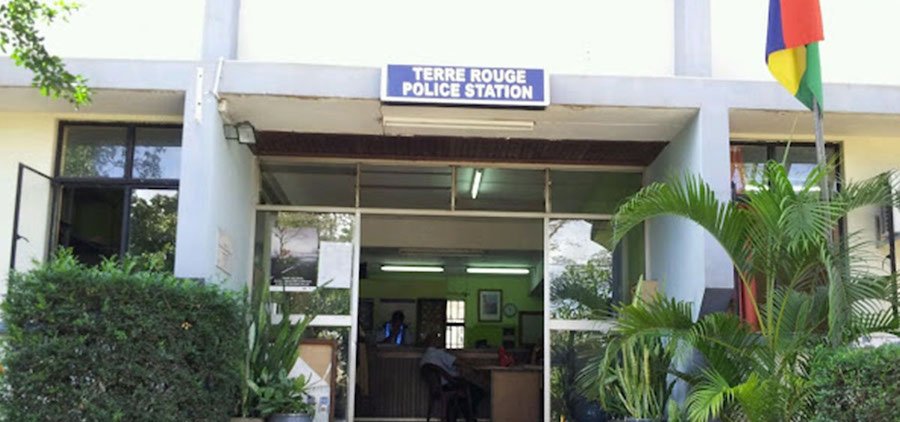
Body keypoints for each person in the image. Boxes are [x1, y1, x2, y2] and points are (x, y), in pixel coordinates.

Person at [419, 334, 486, 421]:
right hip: (451, 384)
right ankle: (469, 415)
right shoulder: (439, 353)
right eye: (438, 339)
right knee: (479, 392)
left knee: (459, 396)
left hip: (437, 387)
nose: (440, 341)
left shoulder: (424, 358)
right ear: (434, 342)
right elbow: (457, 362)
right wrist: (472, 367)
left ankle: (461, 414)